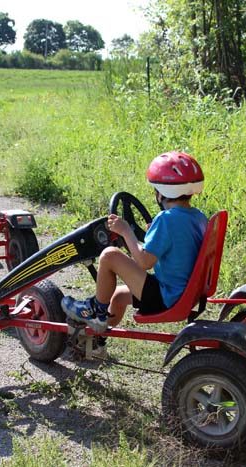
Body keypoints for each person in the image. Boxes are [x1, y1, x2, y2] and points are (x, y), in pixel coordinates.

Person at [62, 151, 208, 358]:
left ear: (161, 192)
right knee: (118, 297)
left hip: (167, 296)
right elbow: (176, 247)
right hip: (184, 291)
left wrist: (126, 231)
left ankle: (94, 310)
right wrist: (148, 236)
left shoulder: (166, 219)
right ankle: (97, 340)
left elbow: (143, 262)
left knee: (109, 255)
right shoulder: (196, 216)